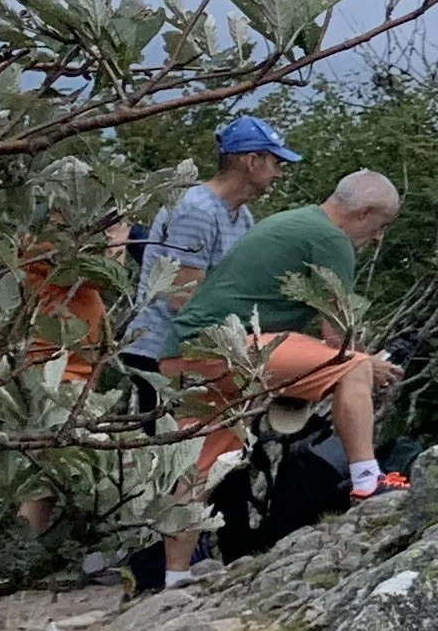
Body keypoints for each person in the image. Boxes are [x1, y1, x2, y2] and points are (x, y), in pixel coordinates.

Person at [175, 168, 409, 500]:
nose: (378, 237)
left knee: (199, 472)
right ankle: (368, 478)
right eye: (381, 226)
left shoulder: (295, 221)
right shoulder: (332, 238)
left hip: (185, 351)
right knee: (353, 366)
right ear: (365, 213)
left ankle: (170, 553)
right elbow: (338, 338)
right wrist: (370, 364)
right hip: (224, 349)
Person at [124, 115, 292, 369]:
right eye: (276, 162)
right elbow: (181, 299)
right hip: (159, 353)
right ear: (252, 161)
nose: (278, 173)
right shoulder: (197, 210)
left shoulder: (241, 215)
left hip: (194, 352)